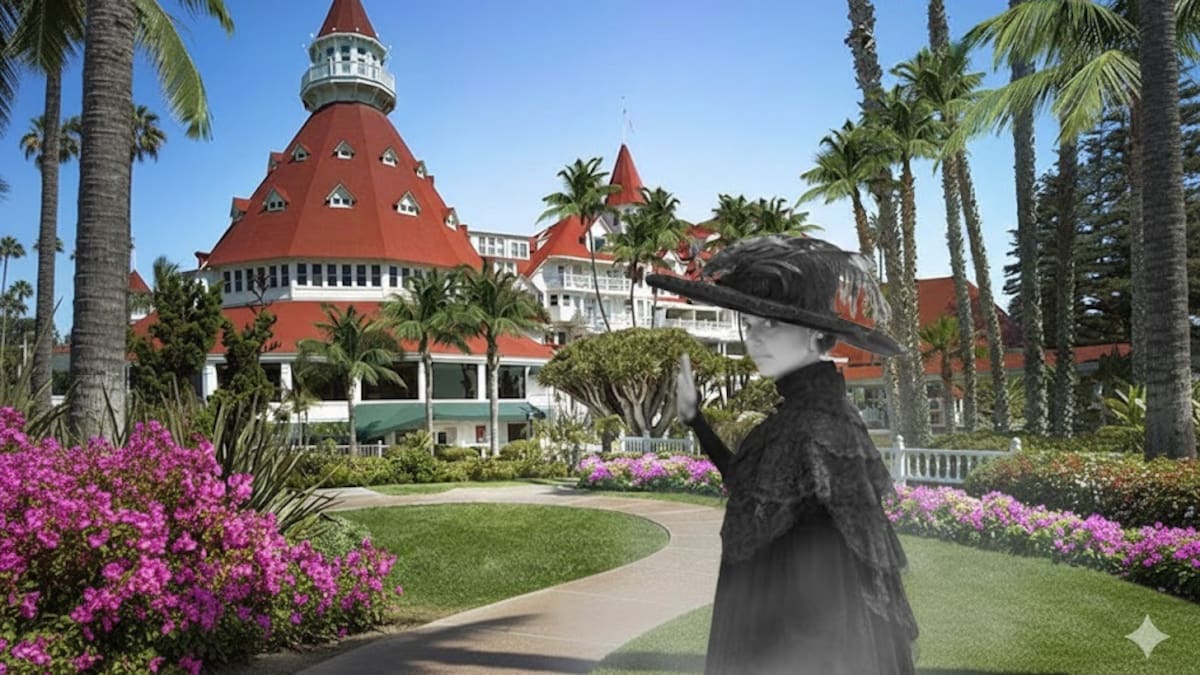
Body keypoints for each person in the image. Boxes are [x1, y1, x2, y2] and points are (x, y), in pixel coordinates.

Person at [646, 235, 919, 674]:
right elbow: (751, 482)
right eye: (750, 326)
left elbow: (839, 575)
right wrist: (696, 419)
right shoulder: (797, 417)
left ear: (816, 335)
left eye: (770, 325)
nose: (756, 339)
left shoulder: (818, 421)